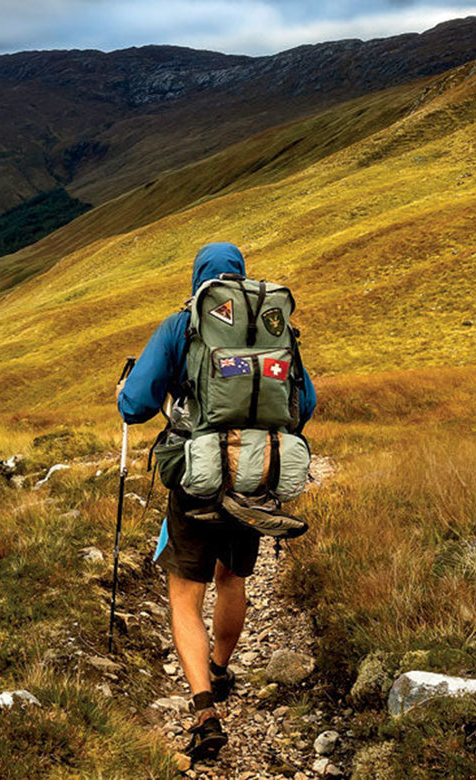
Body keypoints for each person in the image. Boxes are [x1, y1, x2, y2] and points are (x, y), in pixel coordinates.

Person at [115, 242, 316, 760]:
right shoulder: (275, 326)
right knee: (233, 579)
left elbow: (136, 404)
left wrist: (127, 393)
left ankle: (204, 706)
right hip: (252, 479)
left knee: (185, 595)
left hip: (197, 481)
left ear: (198, 279)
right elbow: (305, 403)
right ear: (243, 278)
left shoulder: (183, 325)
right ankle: (222, 669)